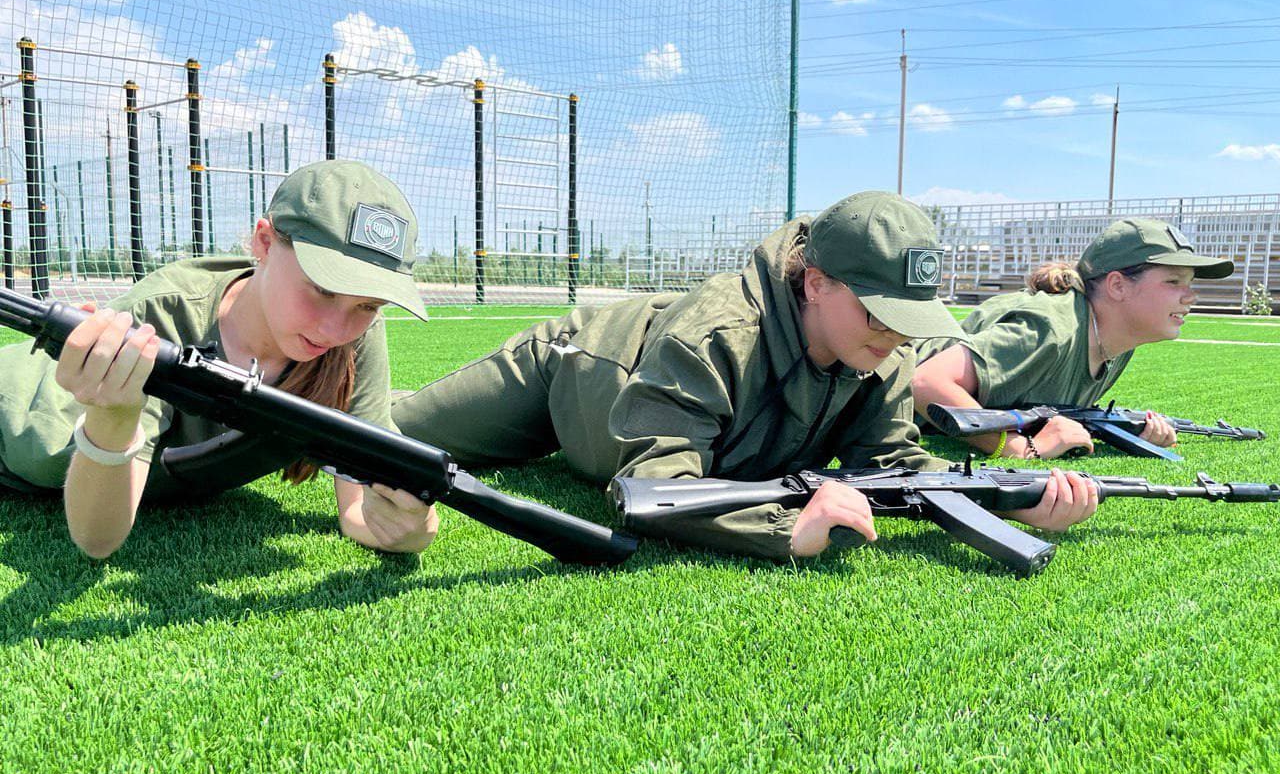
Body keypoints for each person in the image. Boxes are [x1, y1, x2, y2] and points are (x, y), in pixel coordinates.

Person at [392, 190, 1097, 561]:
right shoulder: (720, 334)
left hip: (623, 404)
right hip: (569, 375)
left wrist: (1014, 495)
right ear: (815, 283)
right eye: (880, 315)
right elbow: (656, 485)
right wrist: (782, 527)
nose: (899, 338)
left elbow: (893, 464)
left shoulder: (883, 351)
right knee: (391, 434)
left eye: (909, 320)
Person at [0, 159, 438, 559]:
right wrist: (114, 416)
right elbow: (98, 540)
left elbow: (359, 510)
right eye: (322, 289)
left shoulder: (354, 337)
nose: (335, 329)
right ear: (264, 242)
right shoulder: (162, 314)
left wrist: (409, 528)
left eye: (368, 305)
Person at [911, 217, 1234, 460]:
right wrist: (1020, 448)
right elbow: (926, 383)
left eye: (1189, 282)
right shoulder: (1051, 329)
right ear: (1118, 285)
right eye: (1174, 281)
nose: (1189, 296)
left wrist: (1136, 432)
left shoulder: (1118, 343)